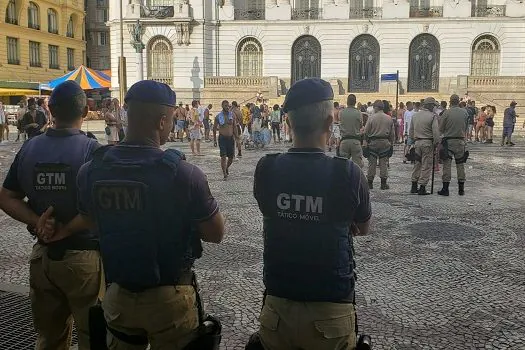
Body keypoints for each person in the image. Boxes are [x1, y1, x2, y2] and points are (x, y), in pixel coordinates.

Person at [47, 80, 225, 349]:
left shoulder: (92, 171)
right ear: (163, 120)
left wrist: (60, 229)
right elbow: (215, 233)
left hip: (118, 293)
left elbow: (90, 220)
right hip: (171, 296)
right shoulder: (184, 174)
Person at [253, 78, 371, 350]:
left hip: (278, 307)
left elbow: (267, 209)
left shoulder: (267, 168)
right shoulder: (347, 173)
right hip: (331, 309)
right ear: (331, 122)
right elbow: (363, 228)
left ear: (288, 123)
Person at [0, 81, 104, 349]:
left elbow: (6, 196)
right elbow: (98, 208)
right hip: (83, 258)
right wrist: (66, 230)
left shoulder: (30, 149)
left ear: (51, 112)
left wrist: (37, 222)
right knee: (94, 337)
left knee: (48, 338)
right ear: (84, 112)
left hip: (43, 259)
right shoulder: (91, 150)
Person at [438, 94, 469, 196]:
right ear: (458, 101)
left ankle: (445, 189)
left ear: (450, 102)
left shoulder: (446, 113)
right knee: (460, 165)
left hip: (449, 142)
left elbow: (441, 128)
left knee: (447, 165)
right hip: (460, 141)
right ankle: (461, 189)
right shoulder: (464, 113)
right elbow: (466, 127)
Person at [409, 97, 440, 195]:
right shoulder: (432, 116)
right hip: (427, 143)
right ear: (430, 106)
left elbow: (411, 131)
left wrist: (414, 139)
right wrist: (436, 143)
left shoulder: (415, 116)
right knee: (426, 165)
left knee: (417, 164)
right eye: (433, 105)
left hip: (417, 142)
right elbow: (435, 132)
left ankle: (414, 185)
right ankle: (422, 187)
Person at [363, 100, 395, 190]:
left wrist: (365, 144)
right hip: (385, 143)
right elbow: (392, 134)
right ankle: (383, 184)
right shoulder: (389, 118)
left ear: (376, 107)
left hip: (373, 143)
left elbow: (366, 132)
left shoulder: (371, 118)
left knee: (372, 163)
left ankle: (370, 183)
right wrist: (391, 144)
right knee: (383, 163)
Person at [214, 100, 238, 180]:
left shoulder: (232, 115)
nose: (227, 107)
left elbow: (234, 127)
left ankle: (226, 167)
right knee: (223, 156)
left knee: (231, 157)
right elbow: (214, 129)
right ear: (222, 106)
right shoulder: (218, 116)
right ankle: (224, 173)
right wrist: (214, 140)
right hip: (222, 138)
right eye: (225, 106)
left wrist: (237, 137)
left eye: (228, 106)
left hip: (230, 138)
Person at [339, 94, 364, 168]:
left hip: (344, 141)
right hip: (355, 141)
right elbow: (360, 125)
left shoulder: (342, 112)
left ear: (347, 101)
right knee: (358, 166)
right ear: (355, 102)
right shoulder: (358, 113)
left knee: (343, 166)